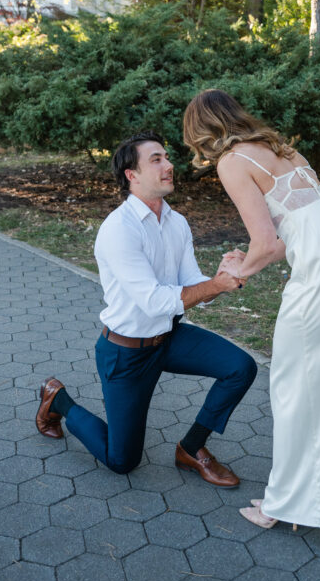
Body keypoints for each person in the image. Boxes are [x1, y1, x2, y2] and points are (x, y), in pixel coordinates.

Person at [183, 90, 320, 530]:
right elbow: (289, 231)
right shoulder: (279, 148)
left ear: (202, 131)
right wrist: (246, 261)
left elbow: (267, 245)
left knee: (295, 389)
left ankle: (282, 504)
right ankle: (315, 498)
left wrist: (232, 274)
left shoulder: (232, 162)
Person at [35, 130, 257, 486]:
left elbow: (189, 284)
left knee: (240, 368)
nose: (169, 165)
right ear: (131, 175)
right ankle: (58, 400)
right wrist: (213, 286)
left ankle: (191, 448)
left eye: (167, 157)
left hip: (167, 338)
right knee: (122, 460)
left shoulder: (176, 222)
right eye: (156, 159)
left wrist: (224, 277)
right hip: (126, 352)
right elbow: (154, 301)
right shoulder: (118, 230)